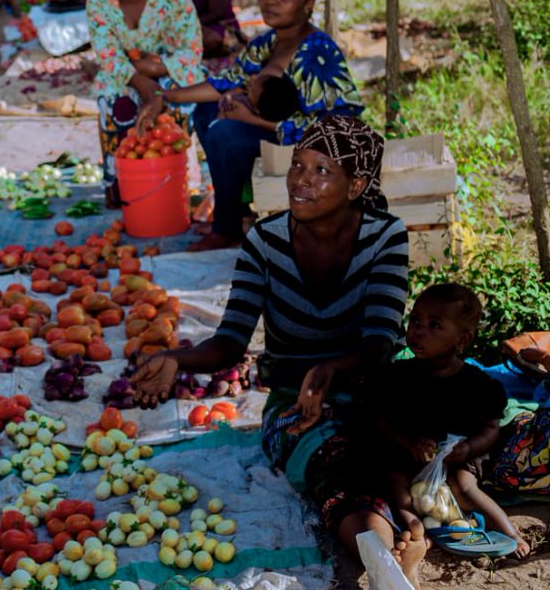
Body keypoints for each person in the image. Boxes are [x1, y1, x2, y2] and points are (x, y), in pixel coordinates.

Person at [130, 115, 417, 584]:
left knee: (399, 448)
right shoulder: (263, 243)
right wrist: (174, 359)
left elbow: (381, 341)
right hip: (296, 404)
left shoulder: (385, 236)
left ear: (355, 185)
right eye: (297, 166)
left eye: (321, 171)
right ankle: (380, 558)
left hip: (372, 388)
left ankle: (382, 544)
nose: (301, 180)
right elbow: (229, 343)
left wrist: (330, 369)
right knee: (331, 460)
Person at [162, 0, 364, 251]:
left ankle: (227, 227)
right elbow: (227, 80)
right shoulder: (267, 41)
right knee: (207, 110)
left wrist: (254, 120)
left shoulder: (317, 51)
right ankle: (242, 207)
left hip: (309, 151)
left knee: (225, 134)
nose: (271, 0)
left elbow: (335, 128)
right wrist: (166, 96)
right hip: (276, 136)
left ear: (307, 5)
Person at [367, 283, 530, 561]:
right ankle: (415, 530)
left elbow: (491, 428)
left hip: (455, 457)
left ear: (462, 340)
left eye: (434, 325)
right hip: (407, 454)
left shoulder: (477, 385)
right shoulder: (398, 376)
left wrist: (468, 449)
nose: (418, 330)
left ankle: (509, 532)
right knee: (395, 483)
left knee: (463, 485)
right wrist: (409, 443)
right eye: (415, 319)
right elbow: (382, 419)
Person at [85, 0, 204, 207]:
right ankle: (118, 180)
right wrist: (143, 82)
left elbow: (191, 49)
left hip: (170, 70)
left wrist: (152, 69)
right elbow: (107, 54)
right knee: (116, 103)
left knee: (179, 104)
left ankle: (181, 177)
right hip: (124, 73)